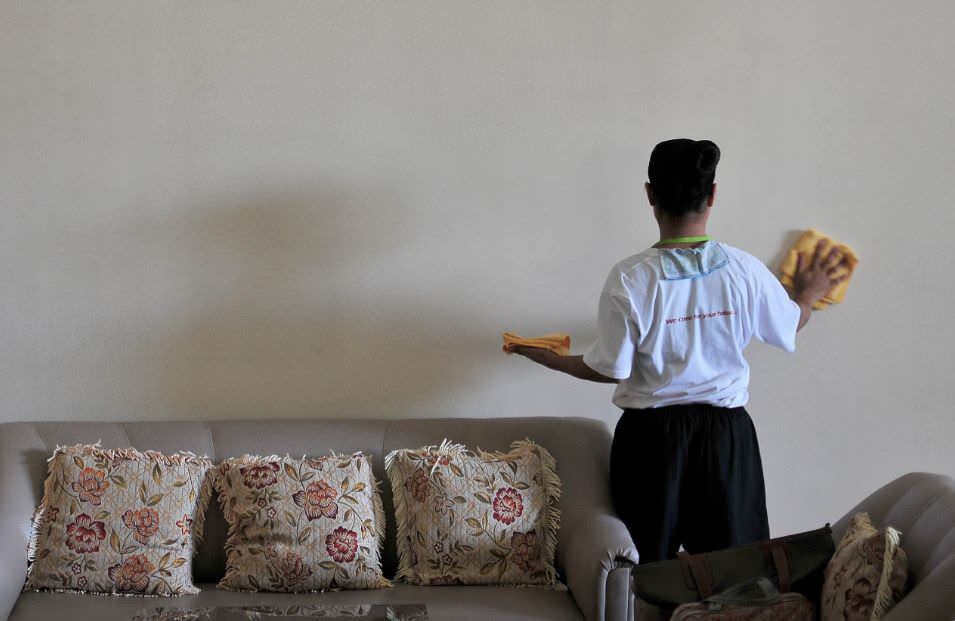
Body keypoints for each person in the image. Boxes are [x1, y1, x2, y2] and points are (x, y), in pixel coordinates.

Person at [508, 138, 847, 563]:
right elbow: (789, 322)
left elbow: (611, 368)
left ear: (650, 195)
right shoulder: (744, 270)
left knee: (642, 569)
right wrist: (807, 296)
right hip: (726, 439)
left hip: (651, 442)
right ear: (713, 195)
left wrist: (550, 359)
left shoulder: (630, 277)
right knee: (736, 569)